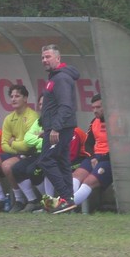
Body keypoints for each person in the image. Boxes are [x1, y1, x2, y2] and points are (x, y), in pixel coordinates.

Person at [11, 95, 87, 212]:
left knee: (42, 167)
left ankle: (58, 204)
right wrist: (44, 141)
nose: (43, 107)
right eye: (41, 104)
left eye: (45, 104)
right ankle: (42, 202)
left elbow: (67, 151)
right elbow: (28, 138)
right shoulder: (40, 121)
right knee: (17, 168)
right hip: (44, 153)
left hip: (69, 159)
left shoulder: (65, 126)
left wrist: (43, 141)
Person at [0, 84, 39, 213]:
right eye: (11, 96)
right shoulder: (9, 118)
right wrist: (17, 147)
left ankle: (23, 200)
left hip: (31, 153)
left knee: (7, 166)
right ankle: (1, 199)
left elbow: (28, 145)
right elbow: (4, 144)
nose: (13, 99)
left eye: (17, 96)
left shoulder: (32, 116)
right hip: (16, 152)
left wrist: (14, 143)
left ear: (25, 98)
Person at [36, 44, 80, 214]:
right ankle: (68, 201)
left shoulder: (61, 78)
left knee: (46, 160)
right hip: (57, 127)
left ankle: (65, 197)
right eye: (42, 57)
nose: (44, 60)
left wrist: (55, 128)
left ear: (58, 58)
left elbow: (65, 106)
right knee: (62, 162)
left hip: (60, 128)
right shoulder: (55, 77)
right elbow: (54, 106)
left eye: (48, 57)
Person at [72, 93, 112, 207]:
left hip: (109, 159)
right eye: (93, 107)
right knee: (75, 176)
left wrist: (103, 158)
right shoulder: (94, 122)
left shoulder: (116, 120)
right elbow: (88, 144)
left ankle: (68, 205)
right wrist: (93, 157)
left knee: (88, 181)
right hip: (95, 157)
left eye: (98, 107)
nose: (95, 110)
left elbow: (120, 145)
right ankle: (67, 204)